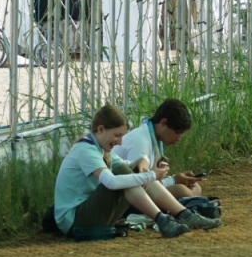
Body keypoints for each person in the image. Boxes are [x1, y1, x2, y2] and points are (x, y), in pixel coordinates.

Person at [53, 105, 220, 239]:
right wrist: (151, 175)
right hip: (74, 222)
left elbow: (125, 166)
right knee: (124, 173)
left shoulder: (99, 147)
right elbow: (110, 181)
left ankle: (183, 215)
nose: (120, 142)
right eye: (117, 135)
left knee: (128, 170)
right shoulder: (85, 149)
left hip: (93, 216)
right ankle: (166, 219)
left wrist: (139, 162)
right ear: (101, 129)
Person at [116, 98, 204, 199]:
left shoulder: (154, 138)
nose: (179, 138)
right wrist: (174, 180)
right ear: (163, 123)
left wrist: (178, 179)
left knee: (195, 187)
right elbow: (140, 184)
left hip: (144, 186)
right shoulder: (140, 141)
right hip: (127, 195)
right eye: (177, 132)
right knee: (183, 191)